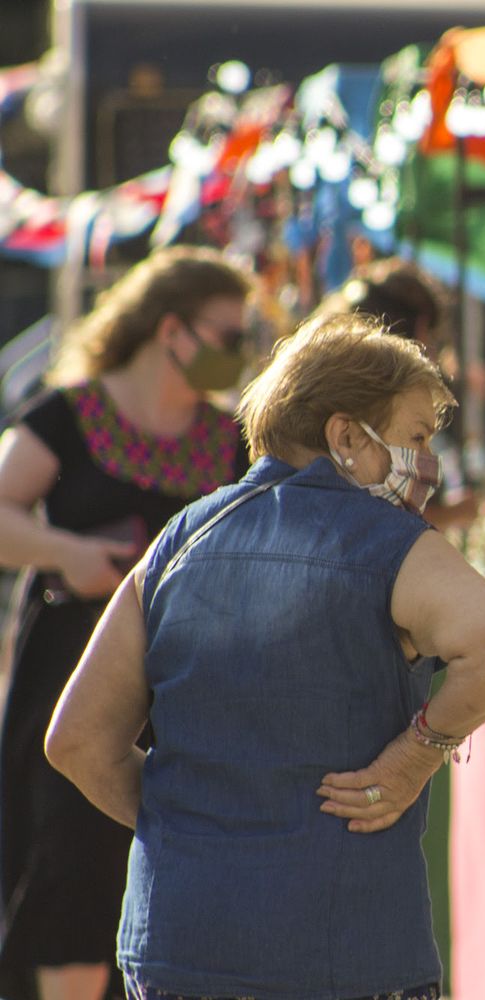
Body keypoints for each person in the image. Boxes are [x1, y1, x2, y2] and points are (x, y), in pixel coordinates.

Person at [45, 313, 485, 1000]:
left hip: (177, 946)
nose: (428, 463)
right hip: (342, 955)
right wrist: (419, 752)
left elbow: (76, 740)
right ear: (345, 437)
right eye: (417, 436)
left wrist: (190, 823)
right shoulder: (383, 539)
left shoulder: (178, 540)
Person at [0, 246, 254, 1000]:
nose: (236, 353)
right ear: (170, 330)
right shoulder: (66, 417)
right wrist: (66, 552)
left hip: (187, 692)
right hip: (71, 679)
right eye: (227, 334)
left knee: (162, 869)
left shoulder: (234, 439)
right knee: (72, 867)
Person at [315, 259, 476, 531]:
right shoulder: (361, 409)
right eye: (429, 339)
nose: (433, 357)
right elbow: (372, 526)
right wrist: (454, 513)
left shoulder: (334, 385)